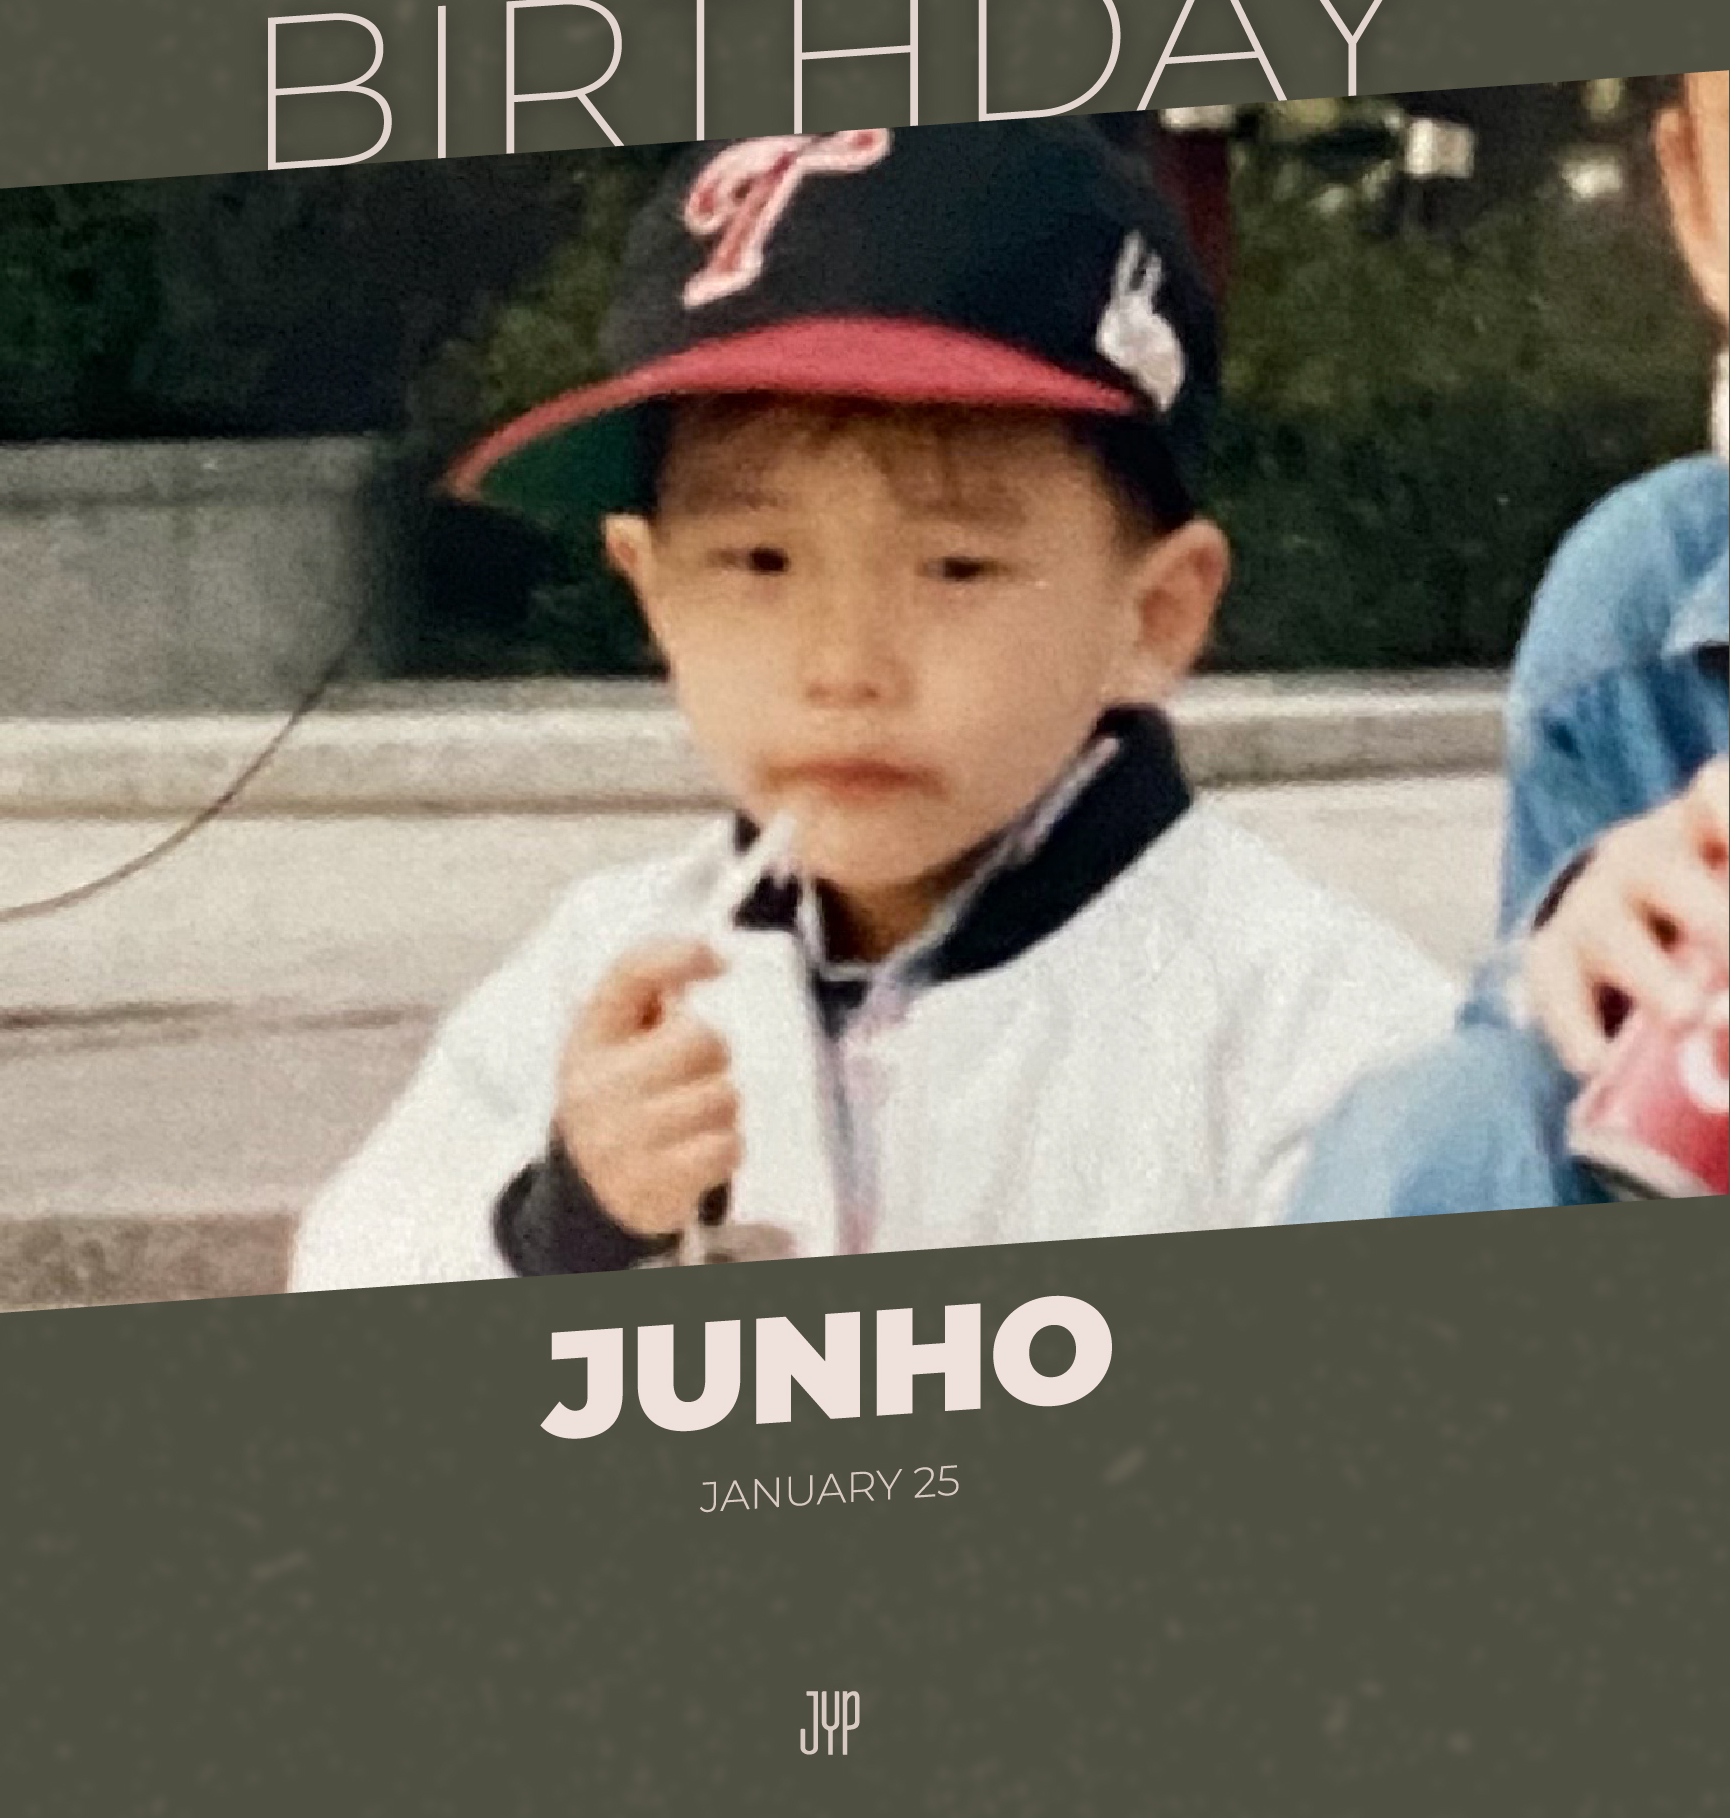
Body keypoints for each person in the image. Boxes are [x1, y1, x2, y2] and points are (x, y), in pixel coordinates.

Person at [290, 120, 1454, 1288]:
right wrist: (562, 1227)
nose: (844, 666)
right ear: (650, 590)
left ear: (1154, 615)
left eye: (955, 567)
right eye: (759, 560)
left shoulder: (1308, 1025)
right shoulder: (605, 968)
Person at [1288, 71, 1729, 1220]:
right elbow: (1515, 1112)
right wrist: (1588, 948)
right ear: (1697, 204)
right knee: (1451, 1125)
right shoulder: (1640, 610)